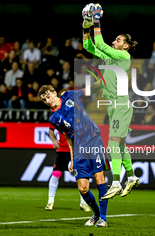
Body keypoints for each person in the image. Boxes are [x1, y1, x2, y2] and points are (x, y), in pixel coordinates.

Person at [82, 3, 140, 200]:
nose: (115, 41)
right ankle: (131, 176)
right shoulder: (109, 58)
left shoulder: (124, 56)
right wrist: (86, 26)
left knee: (112, 143)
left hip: (122, 105)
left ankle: (116, 181)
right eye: (115, 39)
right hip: (113, 107)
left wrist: (96, 21)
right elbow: (89, 45)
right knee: (120, 145)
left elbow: (100, 43)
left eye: (118, 40)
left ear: (125, 46)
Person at [39, 85, 109, 227]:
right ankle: (96, 213)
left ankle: (103, 218)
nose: (47, 100)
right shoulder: (53, 119)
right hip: (78, 148)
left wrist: (102, 80)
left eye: (48, 96)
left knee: (99, 177)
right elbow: (69, 139)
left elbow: (89, 89)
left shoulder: (69, 96)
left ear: (54, 92)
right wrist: (72, 160)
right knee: (82, 188)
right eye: (44, 99)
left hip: (93, 138)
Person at [45, 89, 91, 212]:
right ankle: (50, 201)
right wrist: (54, 140)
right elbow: (51, 130)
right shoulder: (56, 115)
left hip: (78, 147)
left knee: (81, 175)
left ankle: (83, 203)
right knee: (56, 173)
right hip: (64, 148)